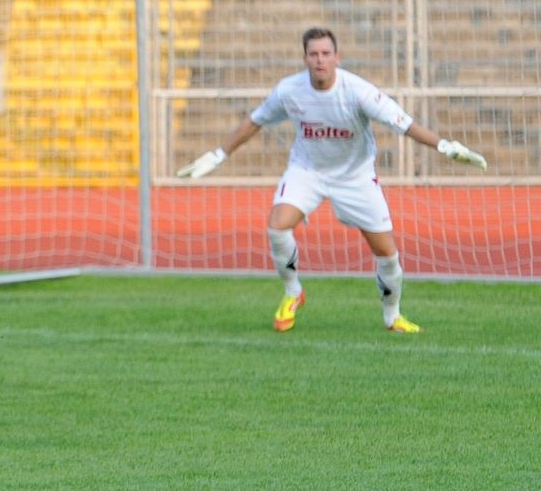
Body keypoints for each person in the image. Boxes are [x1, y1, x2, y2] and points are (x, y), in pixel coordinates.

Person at [179, 26, 487, 333]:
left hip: (356, 177)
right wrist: (218, 155)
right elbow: (255, 120)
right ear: (304, 58)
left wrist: (446, 146)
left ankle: (392, 316)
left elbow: (405, 125)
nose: (320, 60)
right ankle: (293, 292)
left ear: (337, 57)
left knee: (387, 254)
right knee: (277, 226)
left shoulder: (358, 92)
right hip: (307, 171)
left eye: (326, 53)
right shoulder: (290, 90)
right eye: (313, 54)